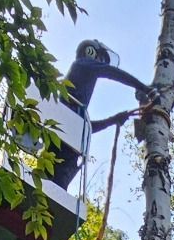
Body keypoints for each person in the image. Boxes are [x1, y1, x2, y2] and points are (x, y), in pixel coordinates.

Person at [49, 40, 149, 187]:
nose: (102, 64)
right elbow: (112, 72)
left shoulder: (77, 107)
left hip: (68, 150)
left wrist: (113, 120)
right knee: (51, 187)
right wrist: (144, 88)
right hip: (62, 147)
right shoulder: (81, 64)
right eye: (101, 59)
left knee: (56, 188)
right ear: (90, 52)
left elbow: (86, 128)